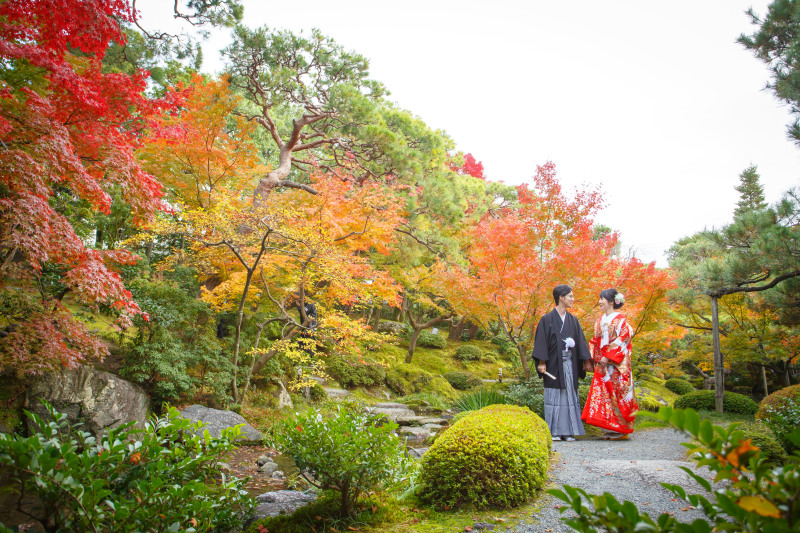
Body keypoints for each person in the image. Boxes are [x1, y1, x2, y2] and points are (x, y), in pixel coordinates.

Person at [532, 284, 593, 442]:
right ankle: (554, 431)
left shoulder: (573, 320)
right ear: (561, 297)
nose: (573, 299)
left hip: (570, 365)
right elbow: (541, 342)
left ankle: (568, 431)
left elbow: (580, 342)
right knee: (554, 397)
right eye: (570, 296)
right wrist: (541, 362)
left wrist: (586, 360)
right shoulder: (546, 319)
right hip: (552, 364)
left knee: (569, 397)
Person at [581, 288, 639, 440]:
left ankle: (622, 429)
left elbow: (623, 340)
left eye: (602, 299)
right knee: (605, 394)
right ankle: (610, 426)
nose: (600, 302)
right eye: (599, 298)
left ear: (612, 302)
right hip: (602, 364)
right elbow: (595, 341)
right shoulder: (600, 320)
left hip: (616, 365)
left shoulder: (621, 320)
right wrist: (590, 359)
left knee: (618, 393)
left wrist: (608, 357)